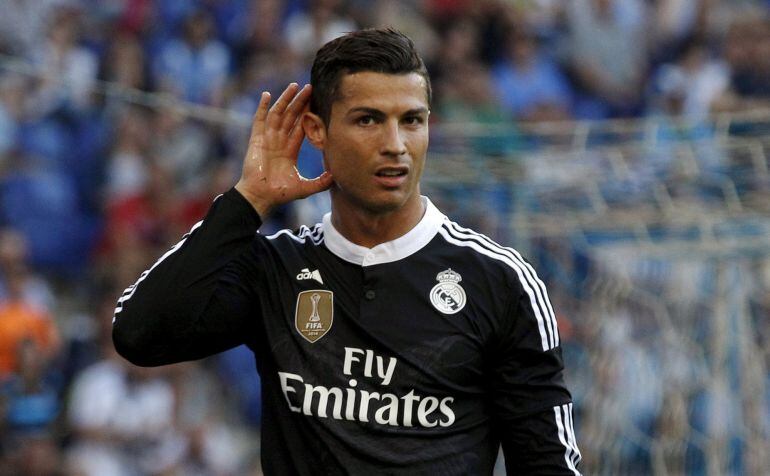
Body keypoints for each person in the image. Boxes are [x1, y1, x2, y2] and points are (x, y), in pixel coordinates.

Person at [112, 28, 581, 475]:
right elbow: (138, 334)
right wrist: (246, 202)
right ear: (317, 131)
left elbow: (546, 467)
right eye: (368, 120)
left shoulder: (500, 282)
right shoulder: (276, 268)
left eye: (411, 120)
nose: (395, 145)